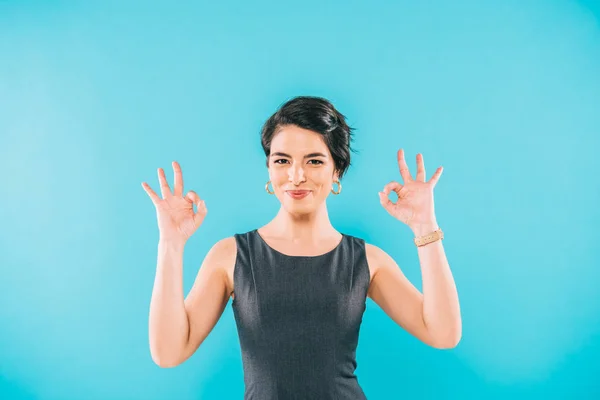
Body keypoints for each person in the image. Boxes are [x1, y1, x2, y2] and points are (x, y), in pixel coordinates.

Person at [143, 96, 462, 399]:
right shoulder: (232, 256)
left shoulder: (365, 260)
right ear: (269, 167)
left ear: (336, 170)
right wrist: (171, 243)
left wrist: (425, 225)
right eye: (282, 160)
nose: (296, 176)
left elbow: (443, 333)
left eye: (314, 161)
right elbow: (169, 352)